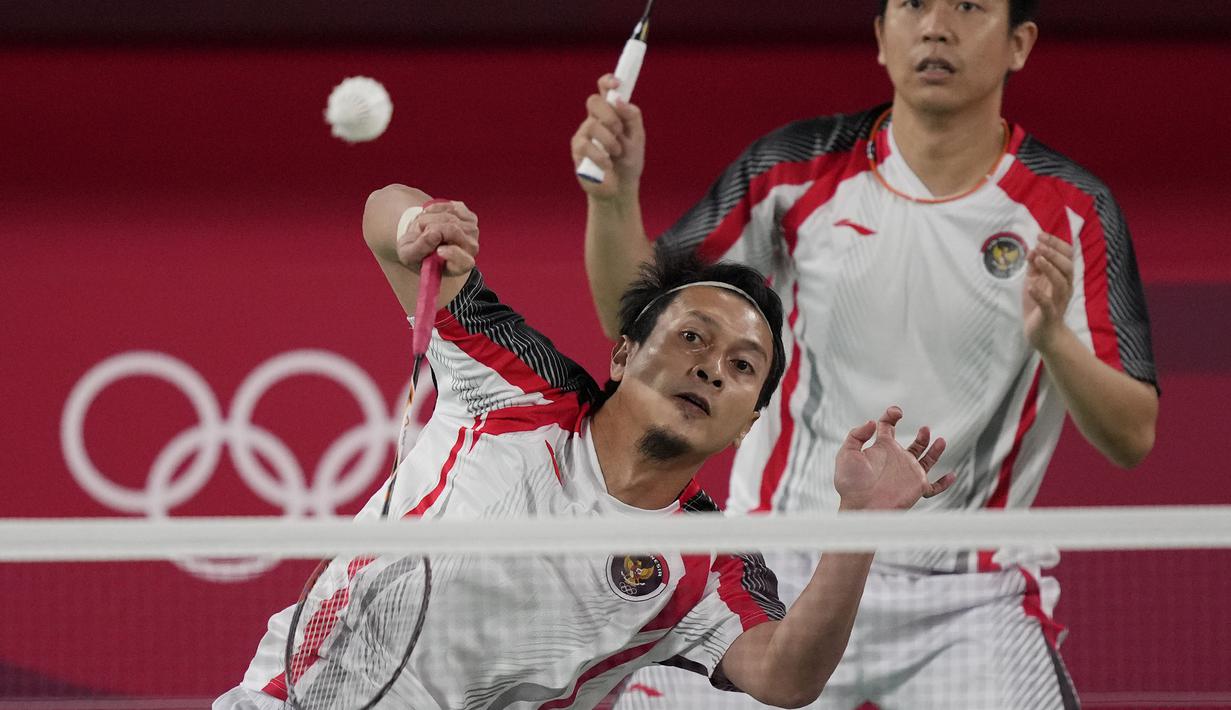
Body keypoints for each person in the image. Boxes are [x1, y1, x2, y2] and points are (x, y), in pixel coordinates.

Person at [570, 1, 1158, 708]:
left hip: (965, 596)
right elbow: (631, 321)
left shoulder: (1070, 208)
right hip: (778, 565)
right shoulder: (793, 171)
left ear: (1019, 43)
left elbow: (1131, 437)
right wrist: (614, 199)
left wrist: (1051, 342)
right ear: (881, 37)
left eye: (968, 7)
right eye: (911, 5)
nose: (935, 27)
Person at [213, 188, 955, 710]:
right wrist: (417, 222)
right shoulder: (518, 389)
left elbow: (787, 678)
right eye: (691, 337)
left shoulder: (706, 567)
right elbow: (386, 220)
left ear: (747, 422)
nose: (708, 368)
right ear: (624, 355)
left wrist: (864, 524)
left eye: (741, 368)